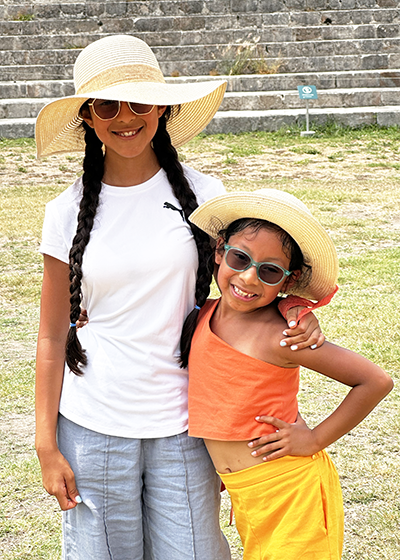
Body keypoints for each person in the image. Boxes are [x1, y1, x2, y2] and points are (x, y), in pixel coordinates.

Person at [34, 35, 325, 560]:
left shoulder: (207, 196)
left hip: (186, 424)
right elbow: (53, 336)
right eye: (107, 106)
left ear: (162, 108)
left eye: (139, 102)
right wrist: (45, 443)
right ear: (88, 117)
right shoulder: (64, 212)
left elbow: (247, 280)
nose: (126, 117)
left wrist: (293, 308)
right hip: (93, 425)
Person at [183, 188, 393, 560]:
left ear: (288, 280)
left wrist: (314, 439)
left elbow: (375, 381)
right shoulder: (203, 315)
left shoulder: (282, 336)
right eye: (239, 258)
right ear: (219, 250)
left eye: (269, 271)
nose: (249, 277)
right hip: (247, 495)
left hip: (292, 494)